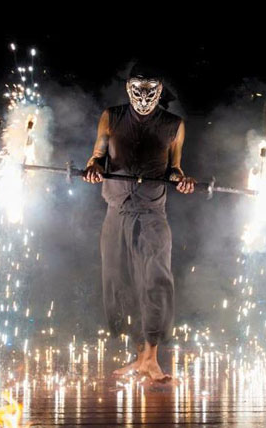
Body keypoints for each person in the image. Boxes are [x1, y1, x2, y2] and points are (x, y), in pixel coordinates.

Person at [84, 62, 195, 382]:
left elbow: (174, 168)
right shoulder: (111, 116)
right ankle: (139, 356)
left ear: (160, 90)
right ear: (127, 88)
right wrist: (94, 168)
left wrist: (180, 178)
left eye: (150, 90)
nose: (144, 96)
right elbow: (97, 157)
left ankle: (152, 357)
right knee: (119, 282)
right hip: (116, 209)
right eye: (138, 89)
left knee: (155, 282)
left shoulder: (174, 124)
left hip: (152, 214)